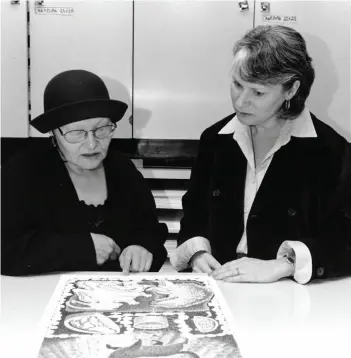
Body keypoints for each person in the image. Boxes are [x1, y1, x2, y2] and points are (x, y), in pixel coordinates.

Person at [170, 25, 351, 284]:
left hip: (291, 297)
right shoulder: (214, 139)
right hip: (220, 286)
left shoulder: (331, 151)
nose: (241, 101)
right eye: (237, 84)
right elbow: (194, 215)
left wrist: (284, 265)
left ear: (291, 90)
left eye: (258, 92)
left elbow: (344, 240)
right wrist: (197, 252)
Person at [1, 69, 168, 275]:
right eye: (76, 133)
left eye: (102, 129)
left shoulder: (123, 169)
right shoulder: (22, 171)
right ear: (54, 132)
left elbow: (151, 233)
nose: (92, 144)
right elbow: (7, 251)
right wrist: (81, 249)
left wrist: (143, 249)